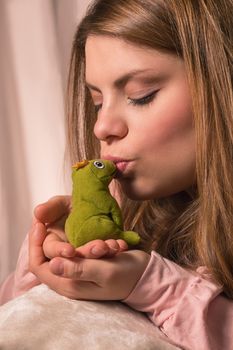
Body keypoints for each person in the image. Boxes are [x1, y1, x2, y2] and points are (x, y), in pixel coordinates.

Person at [0, 0, 232, 349]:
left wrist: (156, 285)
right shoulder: (127, 216)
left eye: (140, 96)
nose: (102, 127)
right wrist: (43, 271)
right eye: (97, 102)